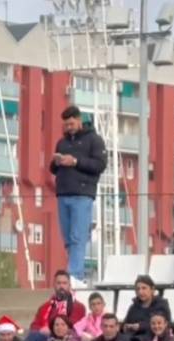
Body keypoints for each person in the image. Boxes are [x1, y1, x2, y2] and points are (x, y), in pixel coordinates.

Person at [50, 105, 108, 281]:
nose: (68, 128)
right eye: (66, 125)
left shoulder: (94, 140)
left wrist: (75, 161)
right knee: (68, 238)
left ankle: (73, 275)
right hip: (63, 194)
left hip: (82, 194)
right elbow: (53, 169)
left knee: (78, 236)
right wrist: (57, 162)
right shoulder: (62, 142)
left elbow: (100, 165)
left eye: (71, 124)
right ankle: (77, 273)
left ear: (79, 120)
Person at [25, 271, 86, 341]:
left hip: (67, 338)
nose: (61, 286)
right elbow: (34, 325)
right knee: (32, 337)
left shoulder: (78, 306)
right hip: (46, 338)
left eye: (64, 283)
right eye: (58, 283)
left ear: (69, 285)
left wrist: (53, 329)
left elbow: (75, 326)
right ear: (54, 285)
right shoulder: (44, 306)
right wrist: (41, 330)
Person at [123, 275, 172, 341]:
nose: (140, 292)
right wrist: (126, 327)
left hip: (155, 339)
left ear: (152, 289)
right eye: (138, 289)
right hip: (133, 340)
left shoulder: (161, 305)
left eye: (144, 288)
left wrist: (139, 326)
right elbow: (126, 324)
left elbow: (163, 324)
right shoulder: (133, 307)